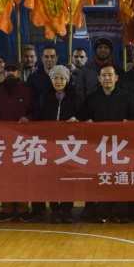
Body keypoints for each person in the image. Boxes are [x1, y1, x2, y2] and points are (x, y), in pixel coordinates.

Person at [80, 64, 134, 223]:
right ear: (99, 78)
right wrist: (88, 121)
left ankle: (122, 213)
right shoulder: (91, 97)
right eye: (104, 75)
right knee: (102, 178)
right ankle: (102, 212)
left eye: (110, 75)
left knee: (120, 178)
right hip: (99, 146)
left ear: (116, 77)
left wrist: (129, 122)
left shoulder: (126, 96)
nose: (107, 78)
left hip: (121, 145)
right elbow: (85, 117)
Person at [0, 62, 34, 222]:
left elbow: (34, 112)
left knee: (22, 175)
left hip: (22, 141)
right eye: (8, 71)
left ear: (18, 73)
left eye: (14, 71)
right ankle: (6, 208)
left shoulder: (27, 91)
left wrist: (28, 118)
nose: (11, 73)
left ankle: (23, 208)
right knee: (4, 175)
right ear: (4, 73)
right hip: (2, 141)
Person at [35, 65, 81, 223]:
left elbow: (82, 115)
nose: (59, 81)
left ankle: (67, 210)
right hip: (49, 144)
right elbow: (38, 116)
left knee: (68, 178)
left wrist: (76, 119)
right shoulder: (44, 96)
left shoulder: (75, 97)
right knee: (51, 178)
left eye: (62, 78)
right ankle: (55, 210)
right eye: (55, 78)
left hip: (69, 145)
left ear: (67, 80)